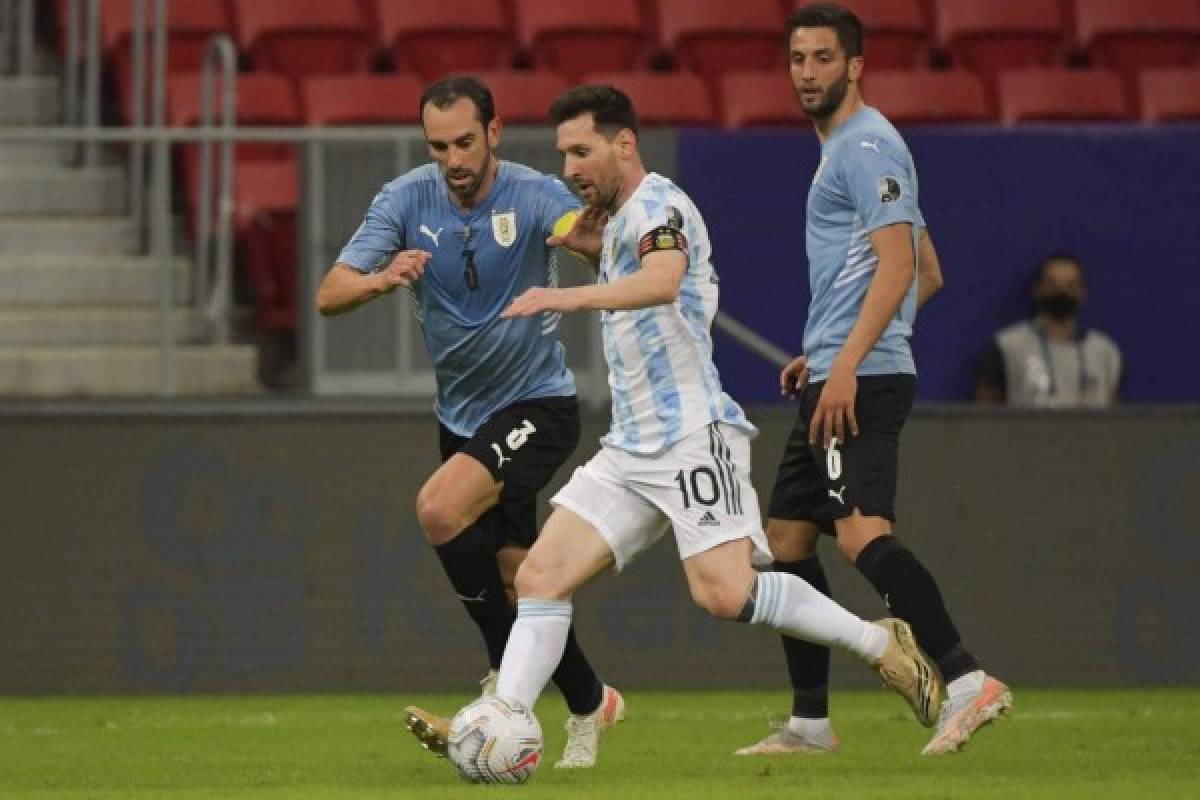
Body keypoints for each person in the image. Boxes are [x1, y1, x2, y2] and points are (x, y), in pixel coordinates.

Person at [482, 83, 942, 770]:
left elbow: (665, 279)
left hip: (691, 434)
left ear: (624, 144)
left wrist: (565, 294)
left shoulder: (660, 206)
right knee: (542, 575)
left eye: (582, 150)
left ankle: (882, 644)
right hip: (630, 445)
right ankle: (504, 727)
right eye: (562, 155)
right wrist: (592, 257)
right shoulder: (618, 223)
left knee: (725, 593)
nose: (570, 168)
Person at [315, 75, 622, 769]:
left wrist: (592, 239)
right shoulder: (404, 199)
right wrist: (380, 277)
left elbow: (585, 236)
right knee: (520, 573)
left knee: (438, 507)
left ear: (493, 133)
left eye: (463, 142)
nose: (452, 159)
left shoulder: (535, 191)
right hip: (462, 417)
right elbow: (329, 294)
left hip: (538, 406)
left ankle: (497, 686)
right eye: (438, 146)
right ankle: (589, 700)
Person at [735, 3, 1012, 758]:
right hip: (837, 368)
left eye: (824, 58)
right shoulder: (845, 150)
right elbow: (930, 271)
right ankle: (811, 725)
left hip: (859, 379)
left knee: (861, 536)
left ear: (855, 66)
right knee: (787, 541)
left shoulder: (866, 146)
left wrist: (854, 359)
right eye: (797, 59)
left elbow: (899, 267)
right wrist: (826, 348)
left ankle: (966, 678)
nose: (807, 73)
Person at [975, 254, 1121, 407]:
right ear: (1038, 289)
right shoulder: (1008, 346)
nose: (1062, 292)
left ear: (1082, 291)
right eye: (1053, 284)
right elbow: (986, 414)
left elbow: (1116, 416)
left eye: (1070, 285)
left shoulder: (1106, 351)